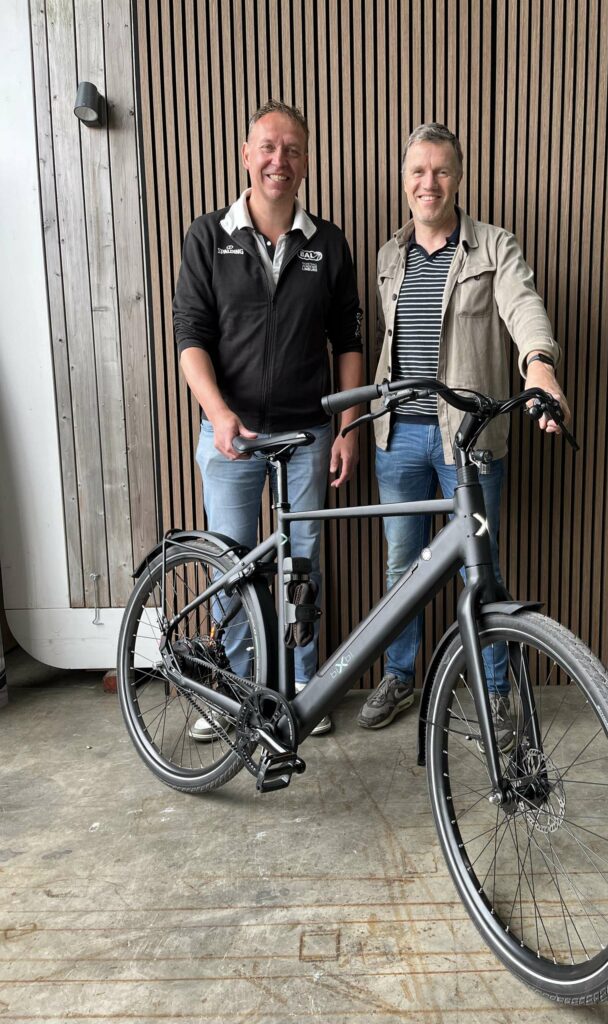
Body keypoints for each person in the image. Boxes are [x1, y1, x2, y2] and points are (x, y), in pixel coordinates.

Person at [358, 123, 570, 741]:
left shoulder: (494, 247)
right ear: (404, 183)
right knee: (402, 568)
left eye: (441, 170)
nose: (429, 183)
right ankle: (400, 676)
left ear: (459, 177)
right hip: (397, 436)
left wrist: (539, 363)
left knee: (482, 568)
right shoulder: (387, 254)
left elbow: (522, 305)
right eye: (418, 171)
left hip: (467, 443)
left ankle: (495, 689)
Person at [173, 100, 363, 738]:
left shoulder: (328, 243)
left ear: (306, 162)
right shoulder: (209, 236)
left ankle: (302, 687)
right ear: (247, 154)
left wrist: (348, 424)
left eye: (292, 149)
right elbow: (190, 339)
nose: (279, 160)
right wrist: (218, 413)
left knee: (302, 560)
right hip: (233, 432)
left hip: (308, 432)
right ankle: (234, 691)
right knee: (231, 561)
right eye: (268, 147)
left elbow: (349, 342)